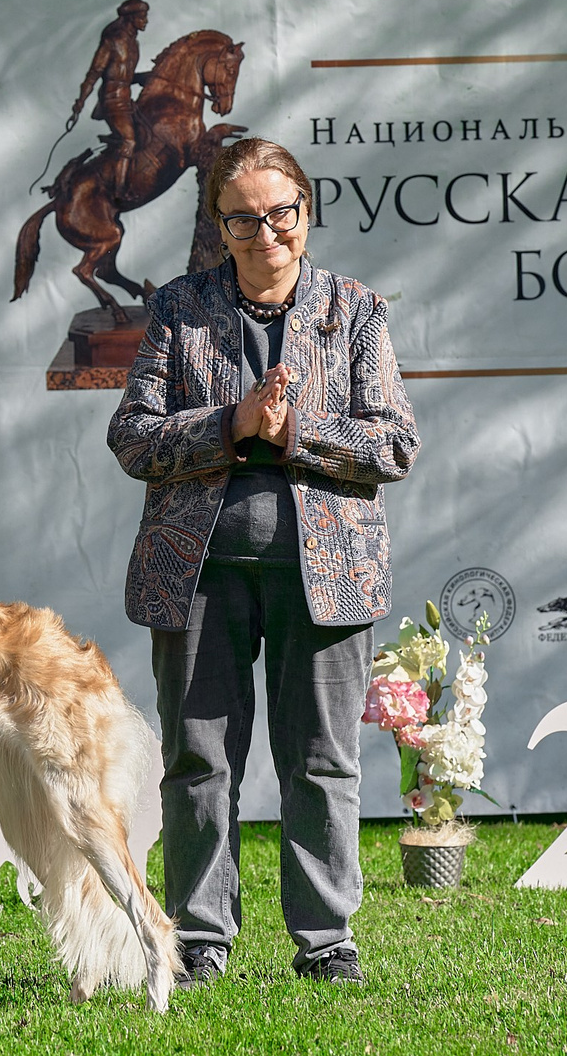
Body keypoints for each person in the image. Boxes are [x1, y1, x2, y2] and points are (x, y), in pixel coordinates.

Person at [107, 137, 418, 988]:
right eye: (243, 218)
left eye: (280, 214)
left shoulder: (355, 310)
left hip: (328, 571)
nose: (264, 233)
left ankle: (326, 940)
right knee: (199, 759)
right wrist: (229, 425)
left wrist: (297, 433)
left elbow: (394, 443)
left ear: (306, 213)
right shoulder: (179, 309)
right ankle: (201, 937)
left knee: (321, 759)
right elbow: (130, 437)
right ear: (219, 225)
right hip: (196, 566)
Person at [71, 0, 151, 179]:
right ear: (131, 18)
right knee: (129, 141)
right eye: (142, 17)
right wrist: (80, 101)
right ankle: (119, 189)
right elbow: (95, 72)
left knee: (146, 135)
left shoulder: (134, 44)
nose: (146, 21)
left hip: (126, 99)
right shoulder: (112, 41)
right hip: (112, 100)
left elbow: (125, 77)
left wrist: (143, 77)